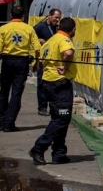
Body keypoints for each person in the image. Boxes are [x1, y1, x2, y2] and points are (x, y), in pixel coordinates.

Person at [29, 17, 77, 165]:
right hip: (60, 85)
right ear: (73, 29)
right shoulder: (64, 39)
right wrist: (66, 67)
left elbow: (42, 57)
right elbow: (68, 53)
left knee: (60, 117)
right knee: (61, 119)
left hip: (48, 83)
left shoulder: (51, 40)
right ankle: (39, 147)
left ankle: (59, 153)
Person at [0, 5, 40, 132]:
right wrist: (36, 63)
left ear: (11, 15)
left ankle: (1, 121)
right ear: (23, 16)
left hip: (7, 60)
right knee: (16, 93)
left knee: (4, 91)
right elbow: (37, 47)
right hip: (22, 62)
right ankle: (9, 123)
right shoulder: (29, 29)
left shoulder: (3, 28)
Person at [33, 9, 61, 116]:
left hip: (53, 60)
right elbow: (31, 36)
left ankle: (53, 107)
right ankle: (42, 107)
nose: (57, 20)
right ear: (49, 16)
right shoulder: (40, 27)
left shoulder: (56, 28)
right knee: (42, 83)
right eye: (56, 17)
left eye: (59, 18)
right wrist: (39, 40)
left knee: (53, 84)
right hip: (42, 60)